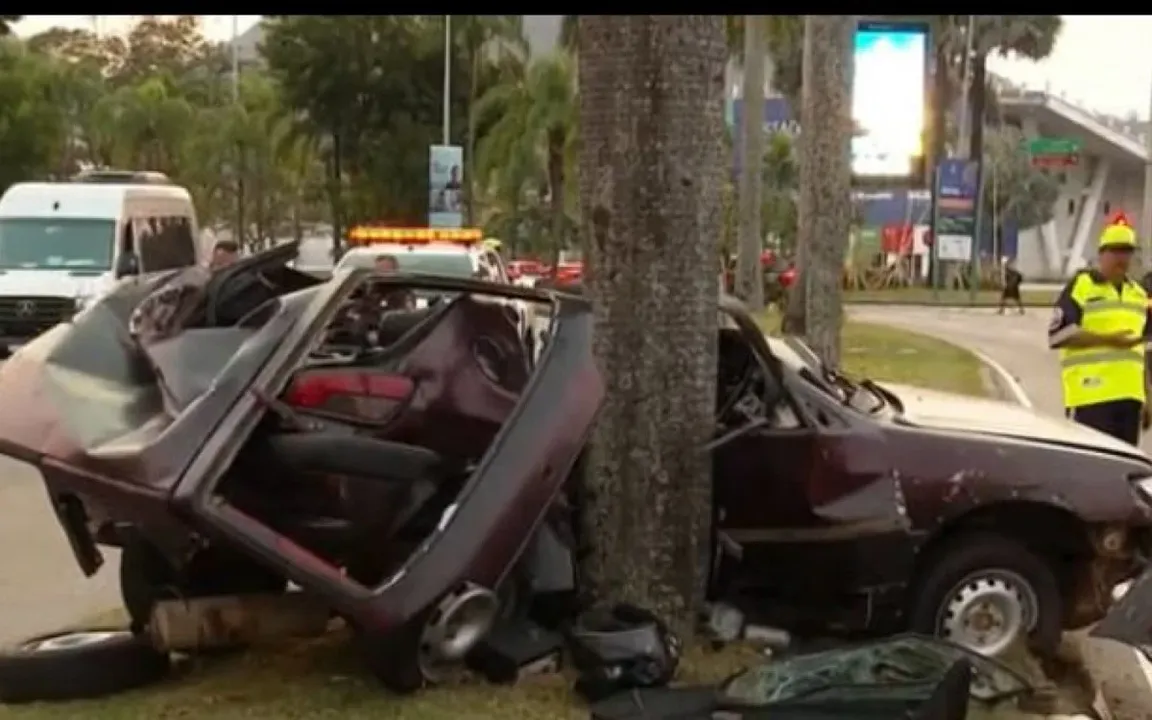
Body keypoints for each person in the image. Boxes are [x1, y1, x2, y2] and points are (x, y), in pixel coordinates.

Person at [1048, 215, 1152, 445]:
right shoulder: (1082, 285)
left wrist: (1147, 396)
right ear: (1101, 254)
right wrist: (1109, 339)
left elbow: (1141, 349)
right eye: (1115, 251)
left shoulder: (1139, 295)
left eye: (1126, 251)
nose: (1121, 258)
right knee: (1091, 469)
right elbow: (1057, 335)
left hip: (1129, 399)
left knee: (1123, 468)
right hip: (1091, 397)